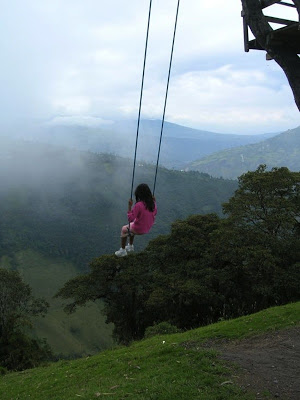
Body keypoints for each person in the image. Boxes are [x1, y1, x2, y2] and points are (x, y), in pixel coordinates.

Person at [115, 183, 157, 257]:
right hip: (147, 227)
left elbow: (130, 218)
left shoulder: (139, 205)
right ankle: (130, 246)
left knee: (124, 229)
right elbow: (155, 213)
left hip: (139, 229)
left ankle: (123, 250)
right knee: (132, 225)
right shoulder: (153, 203)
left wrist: (129, 207)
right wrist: (154, 201)